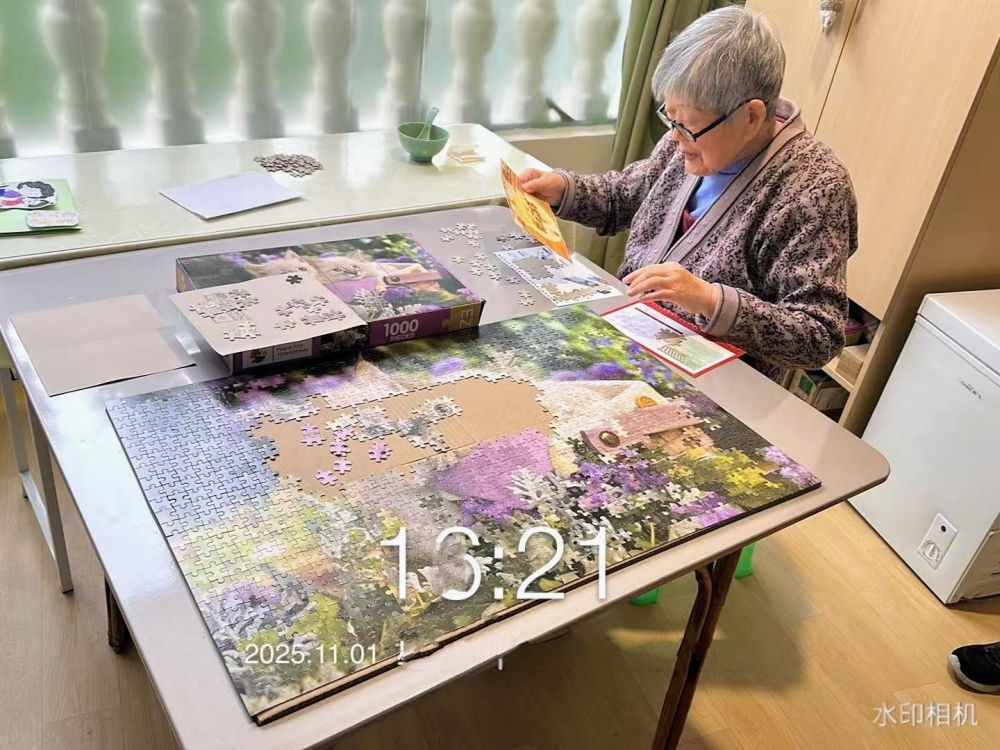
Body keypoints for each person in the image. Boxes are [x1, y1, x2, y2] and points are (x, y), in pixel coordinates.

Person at [520, 6, 857, 382]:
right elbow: (628, 195)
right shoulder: (689, 135)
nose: (676, 139)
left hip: (719, 385)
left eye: (689, 127)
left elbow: (818, 337)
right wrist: (565, 189)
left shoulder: (815, 188)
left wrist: (710, 300)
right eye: (671, 119)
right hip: (630, 337)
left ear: (750, 116)